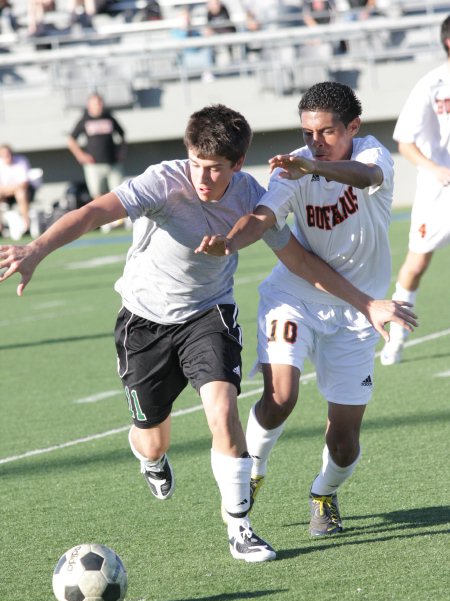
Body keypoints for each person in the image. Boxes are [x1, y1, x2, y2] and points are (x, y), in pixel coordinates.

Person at [0, 104, 415, 562]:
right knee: (152, 436)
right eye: (196, 163)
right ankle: (150, 455)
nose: (202, 177)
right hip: (143, 321)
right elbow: (94, 211)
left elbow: (297, 259)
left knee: (222, 409)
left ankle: (240, 527)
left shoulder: (251, 195)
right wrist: (37, 248)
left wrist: (364, 302)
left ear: (237, 164)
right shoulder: (162, 181)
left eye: (215, 168)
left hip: (208, 314)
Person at [196, 83, 415, 538]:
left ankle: (323, 492)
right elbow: (262, 217)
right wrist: (231, 242)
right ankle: (251, 472)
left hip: (358, 312)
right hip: (294, 295)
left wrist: (314, 166)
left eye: (327, 132)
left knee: (344, 440)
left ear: (352, 127)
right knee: (282, 395)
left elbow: (363, 177)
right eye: (308, 132)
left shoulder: (373, 157)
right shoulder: (292, 169)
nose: (316, 141)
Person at [380, 14, 450, 366]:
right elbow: (404, 142)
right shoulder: (432, 84)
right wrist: (436, 169)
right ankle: (395, 337)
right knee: (416, 264)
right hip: (439, 193)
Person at [67, 93, 126, 202]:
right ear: (89, 105)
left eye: (100, 102)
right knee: (97, 196)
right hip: (94, 165)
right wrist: (80, 155)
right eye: (95, 103)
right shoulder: (85, 120)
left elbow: (122, 134)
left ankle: (119, 219)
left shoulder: (109, 117)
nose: (99, 105)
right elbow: (71, 140)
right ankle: (105, 219)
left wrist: (121, 151)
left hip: (112, 163)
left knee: (118, 193)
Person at [0, 144, 33, 238]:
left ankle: (27, 226)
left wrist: (10, 189)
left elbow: (24, 184)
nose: (7, 157)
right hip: (4, 193)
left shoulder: (21, 161)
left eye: (8, 154)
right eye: (4, 155)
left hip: (21, 192)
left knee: (21, 193)